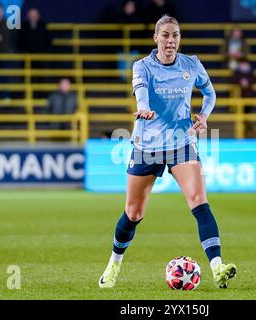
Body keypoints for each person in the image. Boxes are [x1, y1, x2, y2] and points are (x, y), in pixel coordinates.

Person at [98, 15, 237, 289]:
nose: (170, 40)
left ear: (179, 38)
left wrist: (204, 116)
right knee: (133, 213)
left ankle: (217, 266)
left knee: (199, 201)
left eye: (175, 35)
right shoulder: (142, 66)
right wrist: (145, 107)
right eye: (165, 36)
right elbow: (140, 90)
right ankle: (113, 264)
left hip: (180, 143)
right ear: (155, 38)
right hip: (146, 146)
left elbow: (210, 93)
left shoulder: (192, 64)